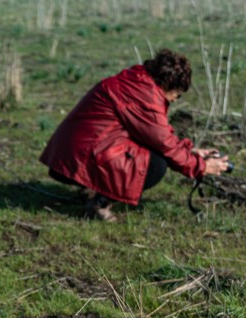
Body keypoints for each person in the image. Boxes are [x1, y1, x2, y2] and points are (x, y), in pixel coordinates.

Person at [40, 48, 231, 222]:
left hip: (69, 155)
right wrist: (202, 166)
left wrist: (192, 152)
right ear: (169, 85)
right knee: (155, 166)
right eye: (178, 94)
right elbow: (163, 143)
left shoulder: (137, 82)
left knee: (151, 154)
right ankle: (99, 204)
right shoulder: (143, 96)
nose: (175, 99)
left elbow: (157, 135)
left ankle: (92, 187)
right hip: (79, 157)